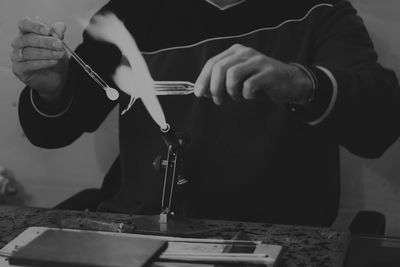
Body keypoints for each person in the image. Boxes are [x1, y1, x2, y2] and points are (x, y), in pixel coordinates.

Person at [10, 0, 400, 227]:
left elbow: (379, 124)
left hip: (269, 238)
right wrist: (53, 87)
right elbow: (53, 133)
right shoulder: (131, 13)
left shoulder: (319, 13)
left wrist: (297, 81)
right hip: (138, 228)